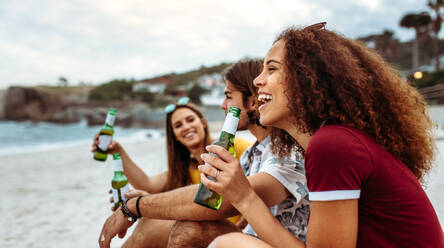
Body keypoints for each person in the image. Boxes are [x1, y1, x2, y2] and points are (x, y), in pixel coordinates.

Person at [198, 23, 444, 247]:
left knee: (230, 245)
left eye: (271, 68)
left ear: (307, 77)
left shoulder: (333, 145)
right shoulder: (339, 140)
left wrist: (244, 195)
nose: (257, 81)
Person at [97, 59, 310, 248]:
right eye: (178, 126)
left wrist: (136, 206)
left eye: (228, 96)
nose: (222, 105)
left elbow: (222, 201)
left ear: (253, 101)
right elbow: (238, 210)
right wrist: (147, 203)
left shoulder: (286, 150)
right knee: (159, 224)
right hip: (248, 238)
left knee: (186, 230)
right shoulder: (253, 153)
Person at [92, 97, 252, 248]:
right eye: (178, 125)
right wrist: (117, 150)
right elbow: (146, 184)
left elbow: (257, 186)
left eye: (190, 120)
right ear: (175, 136)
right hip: (213, 231)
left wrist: (241, 227)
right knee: (149, 220)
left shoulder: (233, 147)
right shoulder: (186, 169)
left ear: (203, 122)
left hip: (238, 234)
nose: (186, 127)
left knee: (155, 226)